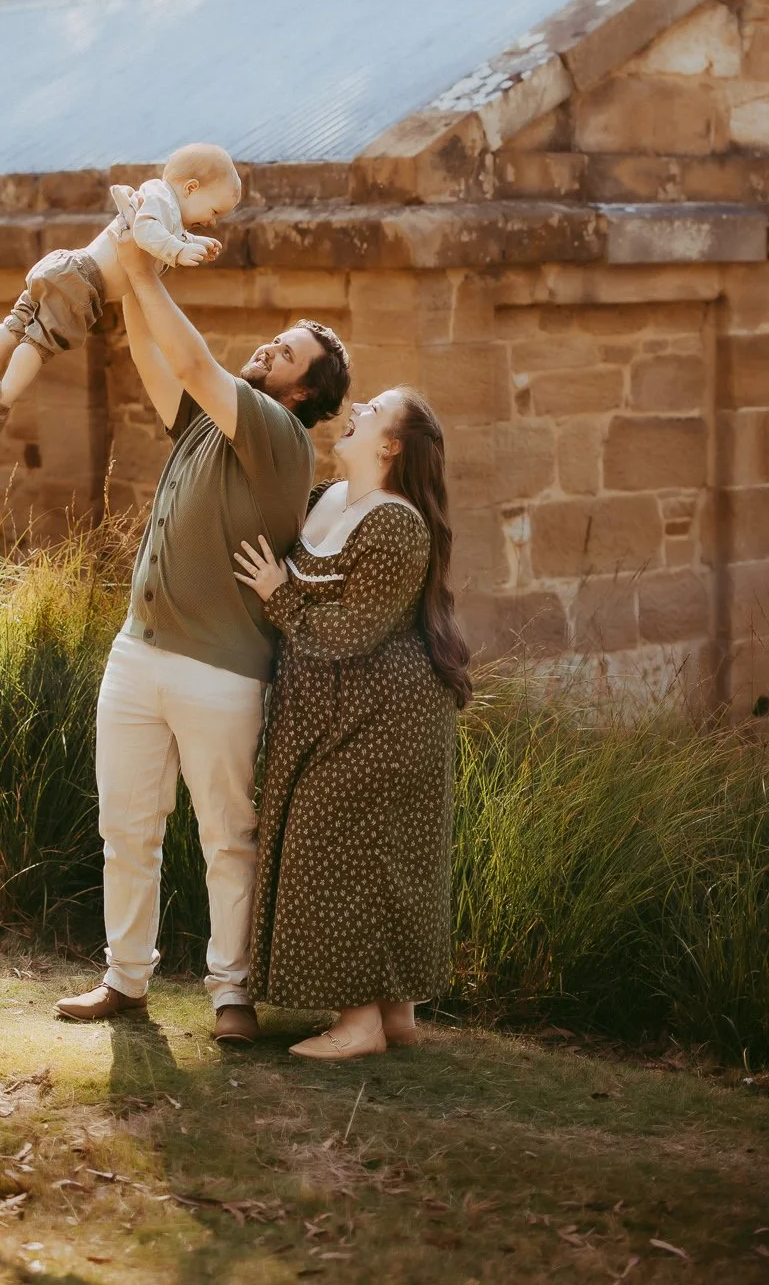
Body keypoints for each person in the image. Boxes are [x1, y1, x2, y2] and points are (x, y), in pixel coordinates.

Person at [54, 231, 352, 1045]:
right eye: (276, 338)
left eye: (286, 351)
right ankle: (124, 978)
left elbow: (189, 362)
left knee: (226, 836)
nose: (269, 347)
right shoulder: (207, 423)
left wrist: (146, 268)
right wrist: (123, 271)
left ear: (301, 393)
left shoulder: (281, 438)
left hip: (222, 671)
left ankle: (232, 995)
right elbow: (158, 360)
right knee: (127, 827)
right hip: (137, 650)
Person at [235, 388, 471, 1060]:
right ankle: (393, 1014)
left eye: (374, 408)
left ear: (391, 446)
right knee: (371, 853)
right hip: (336, 708)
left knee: (343, 848)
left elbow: (348, 631)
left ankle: (358, 1023)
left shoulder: (397, 525)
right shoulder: (329, 502)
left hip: (382, 714)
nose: (358, 405)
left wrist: (276, 597)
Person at [0, 143, 241, 435]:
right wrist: (176, 251)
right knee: (40, 343)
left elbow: (159, 232)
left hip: (67, 268)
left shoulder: (163, 209)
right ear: (190, 188)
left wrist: (196, 243)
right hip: (83, 282)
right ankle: (1, 394)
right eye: (214, 211)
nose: (212, 222)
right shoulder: (162, 201)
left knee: (15, 325)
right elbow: (146, 232)